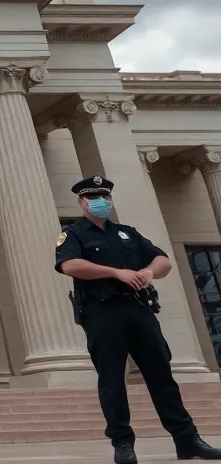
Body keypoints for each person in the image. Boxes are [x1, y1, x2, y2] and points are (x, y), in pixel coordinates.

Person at [56, 174, 221, 463]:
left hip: (138, 309)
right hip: (102, 312)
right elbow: (69, 265)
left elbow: (163, 260)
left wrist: (149, 273)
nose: (100, 202)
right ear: (82, 203)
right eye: (93, 198)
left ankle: (187, 439)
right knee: (112, 380)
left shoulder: (127, 233)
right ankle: (123, 444)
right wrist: (116, 272)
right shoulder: (74, 234)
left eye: (105, 197)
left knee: (161, 375)